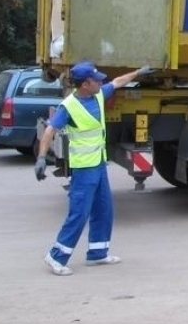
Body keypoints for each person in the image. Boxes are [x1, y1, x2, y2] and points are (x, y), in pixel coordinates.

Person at [36, 61, 152, 276]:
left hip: (99, 164)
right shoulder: (68, 106)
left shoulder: (97, 95)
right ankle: (56, 256)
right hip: (83, 169)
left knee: (104, 209)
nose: (101, 82)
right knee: (79, 213)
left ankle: (98, 253)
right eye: (96, 79)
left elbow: (118, 82)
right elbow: (50, 130)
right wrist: (42, 158)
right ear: (85, 84)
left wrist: (138, 72)